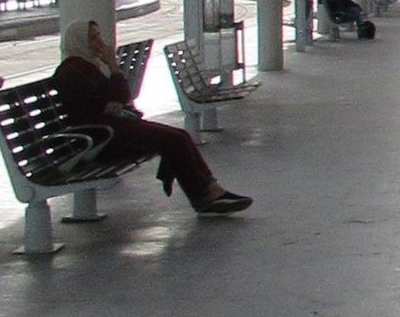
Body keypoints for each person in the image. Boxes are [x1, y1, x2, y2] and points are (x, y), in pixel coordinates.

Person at [51, 20, 252, 215]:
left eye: (98, 36)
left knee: (179, 136)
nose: (99, 43)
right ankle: (204, 195)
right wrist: (112, 78)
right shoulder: (72, 71)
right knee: (173, 140)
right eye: (92, 39)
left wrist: (113, 86)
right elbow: (95, 110)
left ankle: (210, 189)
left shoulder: (87, 66)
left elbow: (120, 98)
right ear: (78, 42)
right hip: (102, 139)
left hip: (112, 129)